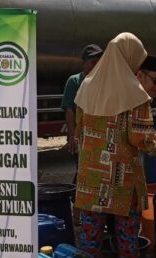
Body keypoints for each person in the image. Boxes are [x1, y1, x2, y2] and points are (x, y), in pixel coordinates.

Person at [73, 32, 156, 258]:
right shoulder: (135, 96)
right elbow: (142, 139)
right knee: (127, 237)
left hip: (90, 181)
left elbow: (80, 131)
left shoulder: (86, 87)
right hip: (121, 183)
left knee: (90, 240)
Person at [61, 44, 103, 181]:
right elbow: (69, 110)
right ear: (84, 63)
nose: (96, 66)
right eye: (92, 62)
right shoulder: (74, 81)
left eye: (99, 62)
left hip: (98, 135)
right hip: (80, 135)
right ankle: (75, 197)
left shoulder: (102, 82)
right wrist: (73, 136)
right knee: (82, 169)